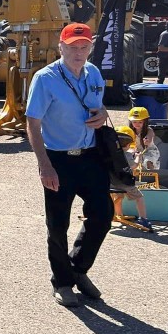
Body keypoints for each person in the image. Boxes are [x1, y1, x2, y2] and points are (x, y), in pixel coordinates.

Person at [25, 23, 113, 308]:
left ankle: (77, 269)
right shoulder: (45, 78)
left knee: (103, 214)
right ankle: (62, 282)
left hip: (90, 156)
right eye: (72, 47)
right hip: (59, 159)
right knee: (58, 224)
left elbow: (99, 107)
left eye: (84, 47)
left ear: (90, 47)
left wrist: (102, 114)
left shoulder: (94, 72)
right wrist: (44, 165)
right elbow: (33, 123)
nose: (78, 53)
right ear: (60, 47)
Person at [110, 127, 153, 232]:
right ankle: (143, 219)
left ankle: (118, 215)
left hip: (111, 183)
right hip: (125, 184)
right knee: (139, 197)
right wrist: (137, 157)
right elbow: (133, 166)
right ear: (129, 145)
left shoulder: (110, 154)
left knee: (118, 197)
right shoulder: (127, 155)